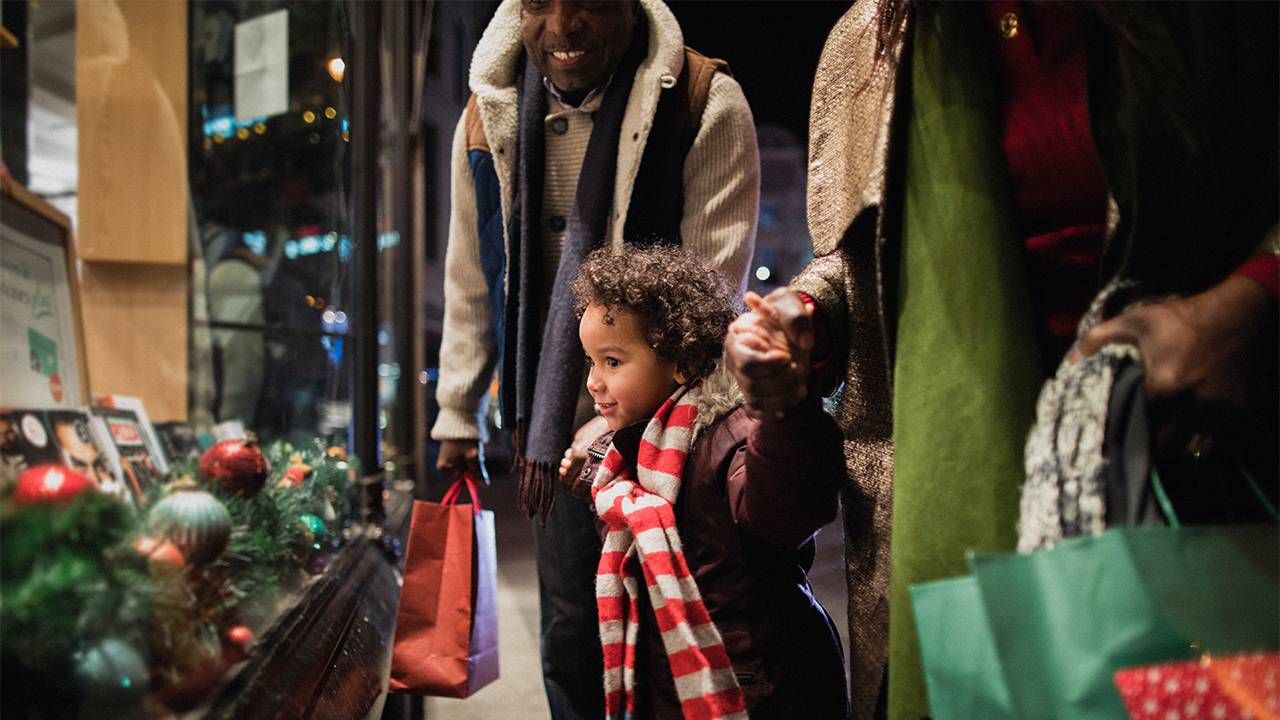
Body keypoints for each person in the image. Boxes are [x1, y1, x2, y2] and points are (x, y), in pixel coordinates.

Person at [724, 2, 1278, 718]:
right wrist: (806, 316)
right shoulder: (872, 42)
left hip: (1201, 483)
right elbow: (866, 264)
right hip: (955, 512)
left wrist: (1253, 306)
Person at [432, 1, 759, 716]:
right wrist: (458, 406)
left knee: (676, 631)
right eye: (539, 4)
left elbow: (713, 292)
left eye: (585, 2)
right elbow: (471, 271)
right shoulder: (488, 114)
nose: (563, 25)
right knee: (574, 631)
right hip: (554, 432)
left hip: (673, 432)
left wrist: (623, 424)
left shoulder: (702, 101)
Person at [568, 246, 849, 720]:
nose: (594, 381)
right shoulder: (629, 451)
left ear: (681, 361)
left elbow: (786, 504)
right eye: (591, 361)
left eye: (613, 362)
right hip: (676, 685)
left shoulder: (733, 435)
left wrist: (783, 407)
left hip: (758, 688)